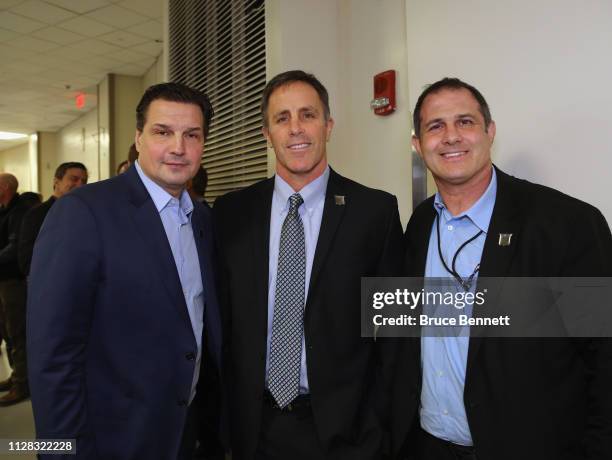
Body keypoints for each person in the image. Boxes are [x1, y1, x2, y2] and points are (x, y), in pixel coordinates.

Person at [392, 77, 612, 460]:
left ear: (489, 132)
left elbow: (603, 356)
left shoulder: (565, 223)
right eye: (435, 126)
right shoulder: (419, 224)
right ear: (417, 144)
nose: (451, 137)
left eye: (465, 122)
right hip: (427, 447)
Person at [27, 82, 222, 459]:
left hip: (186, 433)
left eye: (191, 135)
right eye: (163, 132)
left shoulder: (203, 220)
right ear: (138, 137)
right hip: (112, 440)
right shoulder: (84, 213)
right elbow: (53, 355)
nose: (178, 147)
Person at [214, 70, 403, 459]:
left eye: (308, 115)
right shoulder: (232, 213)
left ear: (328, 125)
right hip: (253, 430)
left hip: (346, 434)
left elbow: (392, 334)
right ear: (266, 134)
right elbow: (223, 325)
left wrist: (377, 426)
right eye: (282, 118)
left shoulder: (375, 212)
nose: (296, 129)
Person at [0, 173, 38, 406]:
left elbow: (14, 248)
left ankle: (22, 384)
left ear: (5, 187)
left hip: (14, 281)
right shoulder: (4, 209)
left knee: (18, 333)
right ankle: (16, 376)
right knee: (7, 331)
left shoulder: (21, 210)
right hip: (3, 279)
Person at [18, 162, 88, 276]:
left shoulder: (84, 213)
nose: (80, 185)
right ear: (56, 182)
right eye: (74, 179)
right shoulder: (37, 214)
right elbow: (27, 260)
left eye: (84, 181)